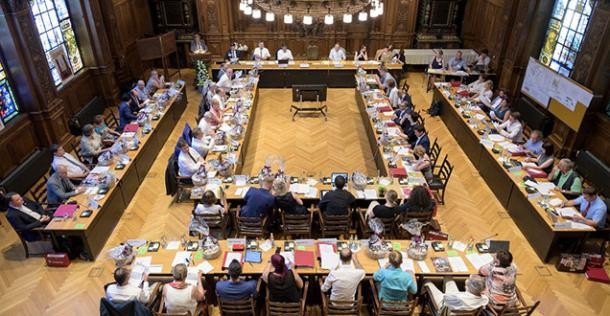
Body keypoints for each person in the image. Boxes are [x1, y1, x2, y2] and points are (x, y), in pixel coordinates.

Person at [424, 275, 489, 313]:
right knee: (448, 277)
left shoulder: (459, 297)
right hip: (457, 301)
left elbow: (445, 300)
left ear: (467, 287)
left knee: (427, 281)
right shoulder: (485, 299)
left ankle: (421, 298)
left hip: (443, 305)